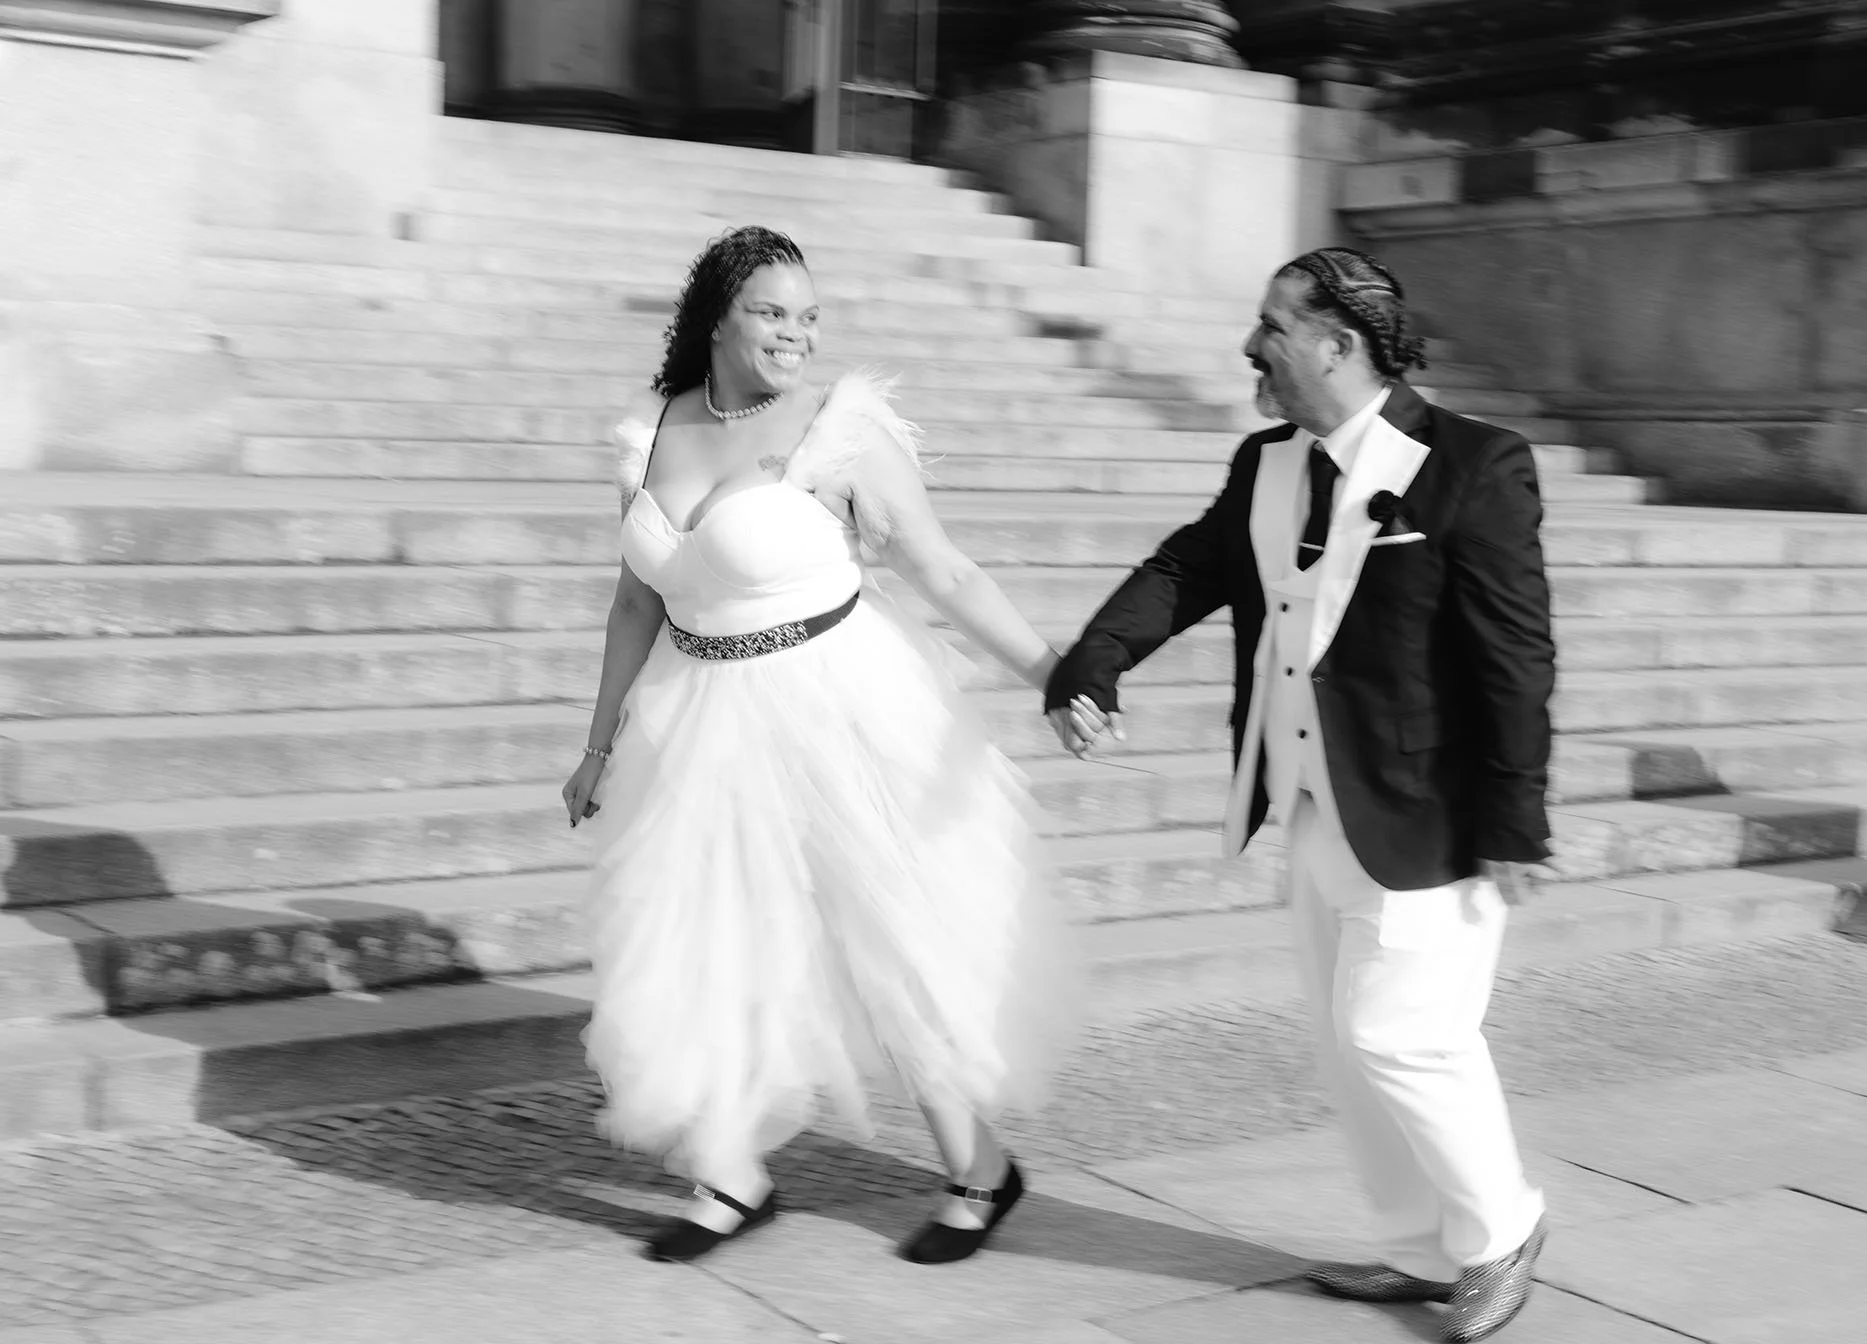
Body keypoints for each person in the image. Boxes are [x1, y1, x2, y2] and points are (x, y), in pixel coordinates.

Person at [1045, 246, 1553, 1342]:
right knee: (1341, 1040)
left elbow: (1516, 658)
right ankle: (1420, 1250)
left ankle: (1502, 1228)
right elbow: (1190, 568)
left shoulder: (1475, 463)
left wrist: (1517, 817)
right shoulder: (1268, 461)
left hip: (1433, 813)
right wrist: (1095, 657)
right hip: (1315, 802)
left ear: (1338, 342)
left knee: (1403, 1032)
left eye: (1274, 326)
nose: (1253, 346)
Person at [562, 226, 1076, 1267]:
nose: (795, 335)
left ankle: (981, 1169)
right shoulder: (651, 432)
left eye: (808, 316)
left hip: (838, 709)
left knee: (885, 932)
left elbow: (944, 571)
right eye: (771, 313)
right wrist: (599, 742)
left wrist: (1056, 673)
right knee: (706, 938)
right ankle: (729, 1176)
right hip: (697, 716)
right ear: (716, 317)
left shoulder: (840, 431)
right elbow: (634, 603)